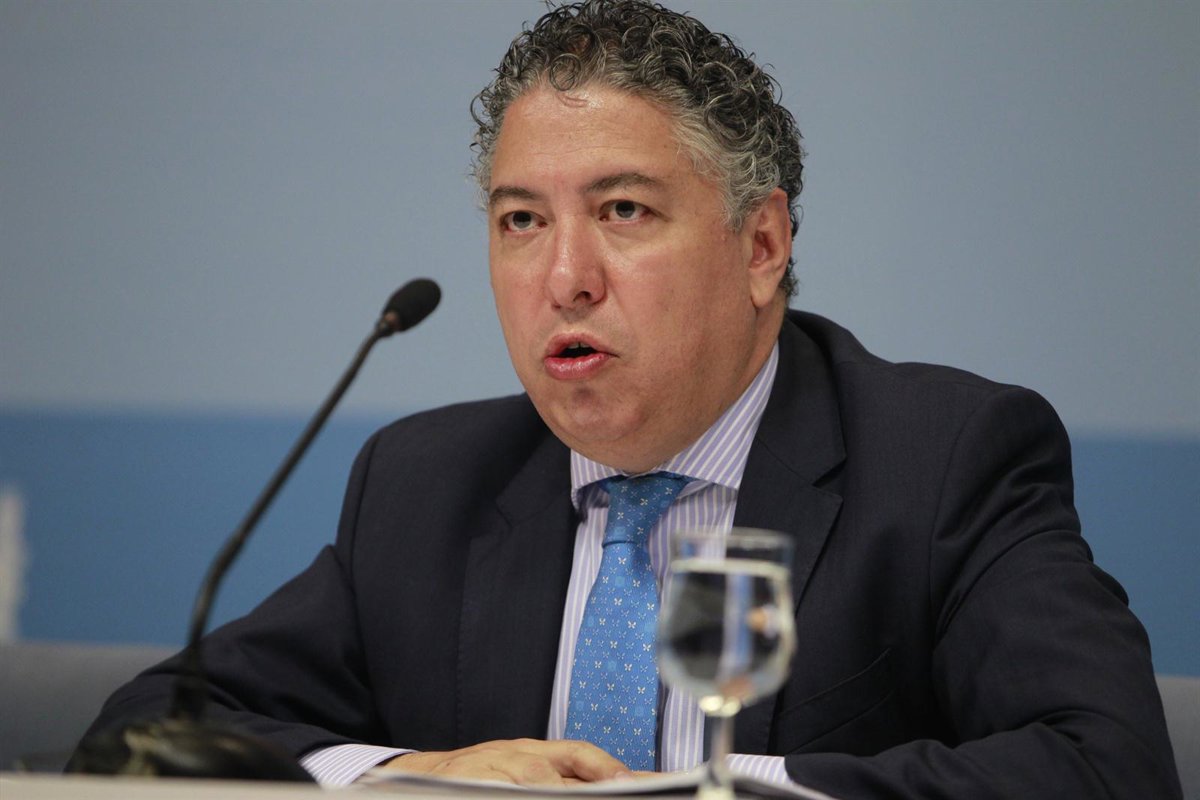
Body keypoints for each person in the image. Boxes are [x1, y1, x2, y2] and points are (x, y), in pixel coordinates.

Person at [79, 1, 1182, 797]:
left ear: (761, 245)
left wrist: (701, 791)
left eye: (622, 210)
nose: (565, 277)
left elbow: (1108, 764)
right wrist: (414, 776)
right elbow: (140, 733)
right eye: (522, 220)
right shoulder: (426, 485)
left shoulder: (941, 461)